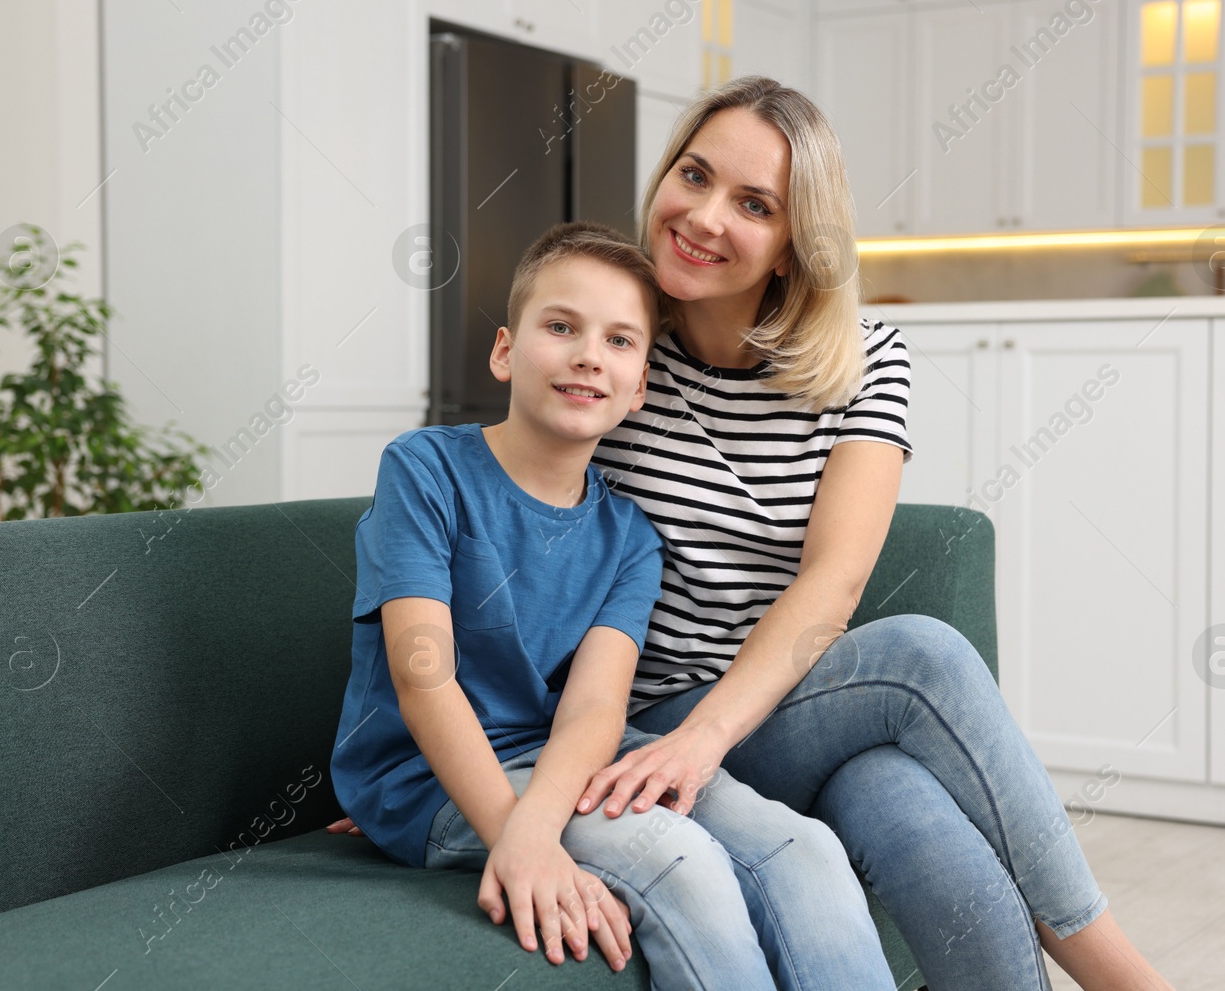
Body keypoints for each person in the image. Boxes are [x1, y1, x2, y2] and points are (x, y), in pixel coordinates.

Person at [333, 78, 1176, 990]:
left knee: (896, 792)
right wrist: (448, 788)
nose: (702, 215)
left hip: (745, 717)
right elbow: (459, 602)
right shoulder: (618, 340)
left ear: (791, 243)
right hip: (632, 720)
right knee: (918, 677)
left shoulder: (861, 357)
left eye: (754, 204)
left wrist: (698, 744)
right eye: (692, 174)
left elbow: (835, 583)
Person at [329, 220, 899, 991]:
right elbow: (423, 676)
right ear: (505, 350)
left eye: (621, 341)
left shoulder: (630, 537)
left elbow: (597, 706)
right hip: (426, 778)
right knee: (681, 859)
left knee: (802, 847)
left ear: (639, 390)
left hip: (568, 754)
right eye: (561, 326)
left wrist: (540, 815)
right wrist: (520, 836)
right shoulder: (425, 469)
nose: (588, 353)